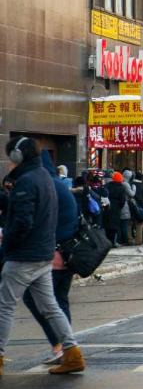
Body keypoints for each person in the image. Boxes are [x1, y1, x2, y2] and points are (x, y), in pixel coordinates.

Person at [0, 137, 85, 376]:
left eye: (11, 156)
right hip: (43, 254)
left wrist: (7, 244)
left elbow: (22, 221)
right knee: (50, 306)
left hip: (23, 256)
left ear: (18, 156)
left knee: (4, 306)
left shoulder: (26, 182)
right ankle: (72, 353)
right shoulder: (46, 178)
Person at [22, 150, 79, 365]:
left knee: (39, 299)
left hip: (54, 255)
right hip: (66, 254)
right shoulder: (59, 186)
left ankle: (62, 346)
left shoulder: (47, 186)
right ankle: (66, 347)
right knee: (58, 301)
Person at [104, 171, 129, 246]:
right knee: (114, 226)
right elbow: (122, 200)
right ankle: (112, 242)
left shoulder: (107, 185)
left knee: (107, 225)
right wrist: (119, 206)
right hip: (116, 208)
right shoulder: (121, 188)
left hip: (107, 206)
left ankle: (107, 241)